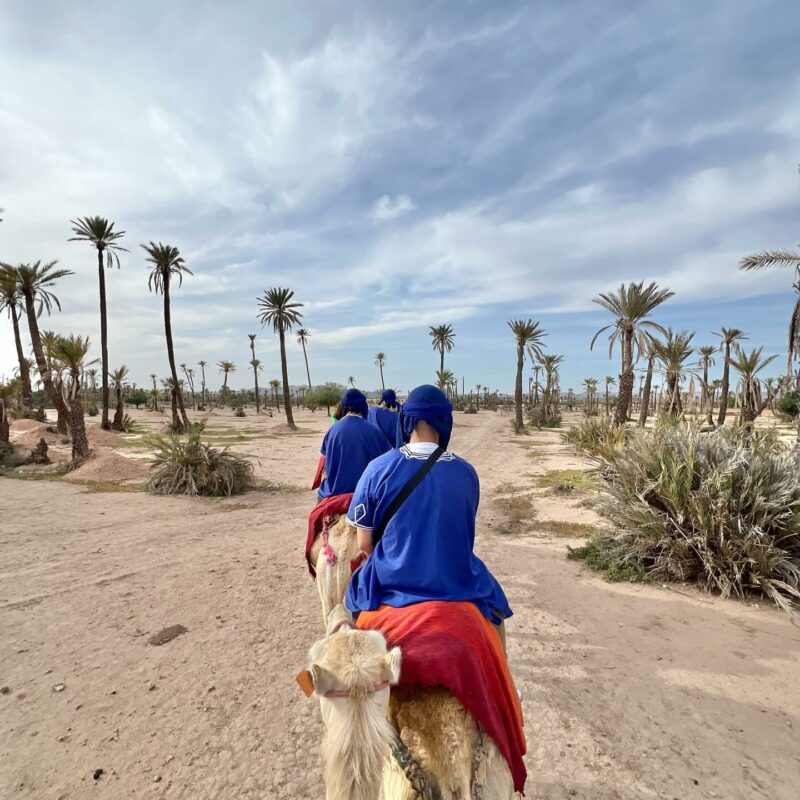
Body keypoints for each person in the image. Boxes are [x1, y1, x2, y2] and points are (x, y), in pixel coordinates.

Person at [345, 384, 512, 639]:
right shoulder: (466, 472)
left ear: (406, 420)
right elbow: (464, 533)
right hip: (456, 582)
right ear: (446, 422)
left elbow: (365, 543)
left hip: (389, 584)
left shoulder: (376, 469)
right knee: (496, 620)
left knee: (345, 621)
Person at [314, 388, 391, 500]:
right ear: (363, 407)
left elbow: (324, 461)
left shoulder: (333, 430)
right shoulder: (375, 431)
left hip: (333, 494)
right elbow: (387, 463)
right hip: (366, 496)